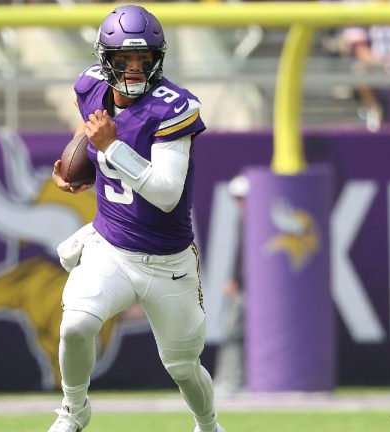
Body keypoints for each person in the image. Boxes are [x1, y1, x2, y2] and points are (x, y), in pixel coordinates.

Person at [49, 6, 224, 432]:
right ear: (105, 59)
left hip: (167, 262)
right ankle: (75, 410)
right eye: (124, 60)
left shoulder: (173, 107)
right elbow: (90, 128)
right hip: (110, 246)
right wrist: (75, 164)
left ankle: (208, 426)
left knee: (182, 366)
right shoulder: (91, 86)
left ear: (158, 59)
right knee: (75, 326)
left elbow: (166, 193)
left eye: (143, 59)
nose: (134, 68)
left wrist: (109, 149)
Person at [213, 175, 248, 396]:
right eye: (237, 198)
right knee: (232, 332)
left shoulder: (260, 222)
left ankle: (233, 380)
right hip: (243, 287)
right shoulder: (245, 221)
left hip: (249, 289)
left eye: (242, 198)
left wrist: (237, 280)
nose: (239, 202)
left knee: (235, 332)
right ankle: (228, 379)